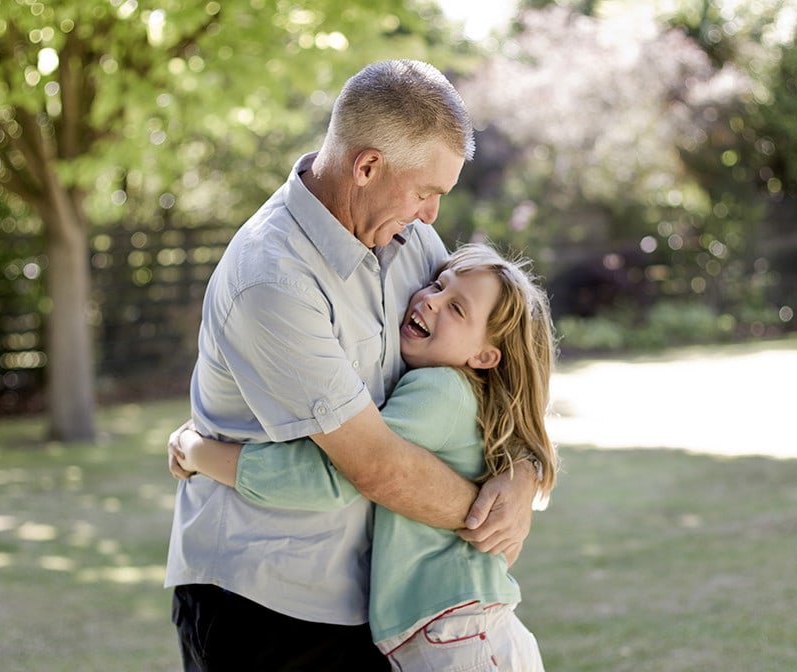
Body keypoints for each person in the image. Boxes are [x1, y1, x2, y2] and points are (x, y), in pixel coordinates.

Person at [164, 59, 540, 671]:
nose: (431, 216)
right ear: (367, 167)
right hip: (263, 602)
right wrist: (489, 515)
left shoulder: (412, 244)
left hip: (370, 604)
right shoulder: (272, 279)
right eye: (426, 192)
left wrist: (522, 477)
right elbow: (376, 469)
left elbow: (488, 378)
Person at [172, 243, 558, 670]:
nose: (430, 300)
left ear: (485, 356)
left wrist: (201, 453)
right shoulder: (463, 393)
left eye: (456, 309)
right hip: (459, 629)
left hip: (458, 635)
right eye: (436, 284)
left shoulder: (441, 391)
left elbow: (339, 474)